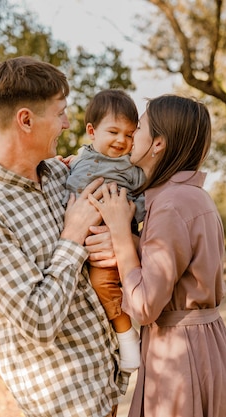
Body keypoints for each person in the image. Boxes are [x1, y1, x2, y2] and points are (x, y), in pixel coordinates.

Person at [0, 56, 129, 417]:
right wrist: (74, 235)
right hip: (67, 405)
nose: (67, 124)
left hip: (107, 387)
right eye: (61, 112)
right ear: (26, 120)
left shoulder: (60, 174)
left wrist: (114, 241)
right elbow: (39, 320)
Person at [90, 94, 226, 416]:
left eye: (139, 129)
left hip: (180, 356)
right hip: (204, 346)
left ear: (158, 143)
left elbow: (144, 306)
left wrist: (119, 233)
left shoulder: (171, 203)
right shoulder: (190, 197)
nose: (130, 138)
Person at [64, 89, 144, 373]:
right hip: (76, 244)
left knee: (102, 285)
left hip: (107, 243)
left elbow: (145, 198)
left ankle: (127, 336)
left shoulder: (130, 167)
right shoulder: (78, 158)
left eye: (129, 134)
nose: (122, 140)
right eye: (113, 131)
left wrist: (133, 213)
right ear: (91, 131)